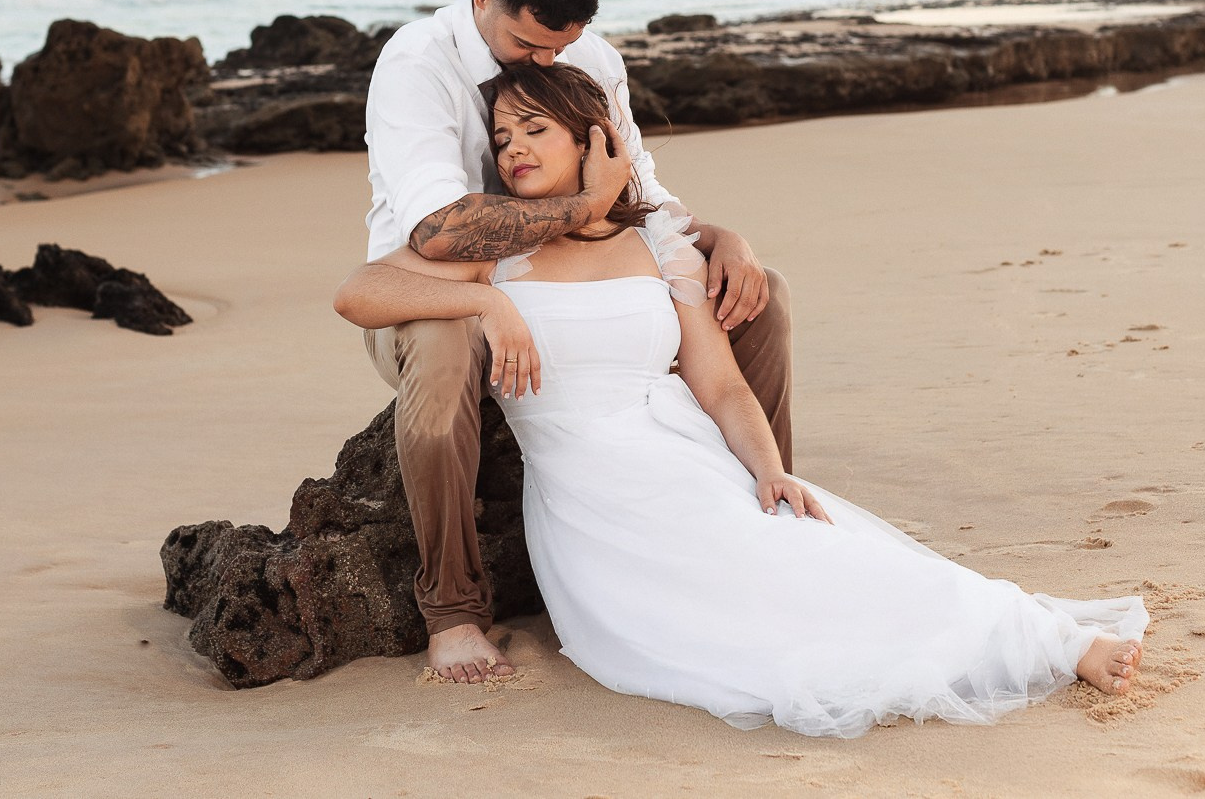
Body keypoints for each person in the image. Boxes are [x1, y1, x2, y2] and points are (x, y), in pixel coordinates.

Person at [337, 63, 1148, 737]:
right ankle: (1042, 640)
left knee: (817, 557)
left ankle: (1050, 639)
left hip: (686, 456)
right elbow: (359, 292)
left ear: (595, 142)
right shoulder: (496, 248)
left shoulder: (654, 243)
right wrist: (484, 301)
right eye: (501, 136)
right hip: (592, 501)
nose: (512, 147)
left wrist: (768, 469)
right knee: (750, 612)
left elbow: (720, 383)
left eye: (534, 128)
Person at [361, 0, 793, 683]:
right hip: (429, 292)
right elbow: (438, 231)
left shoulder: (586, 56)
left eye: (560, 47)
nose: (547, 61)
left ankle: (766, 508)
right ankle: (453, 611)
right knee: (445, 338)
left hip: (571, 274)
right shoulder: (416, 64)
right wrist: (574, 217)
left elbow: (637, 192)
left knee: (760, 294)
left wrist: (725, 239)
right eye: (527, 45)